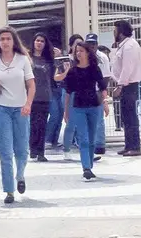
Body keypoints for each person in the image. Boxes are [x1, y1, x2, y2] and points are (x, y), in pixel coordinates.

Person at [0, 26, 36, 204]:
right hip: (1, 109)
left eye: (8, 39)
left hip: (21, 109)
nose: (5, 42)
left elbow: (31, 85)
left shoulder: (23, 60)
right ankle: (9, 190)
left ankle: (20, 175)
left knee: (21, 149)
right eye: (2, 39)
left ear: (14, 41)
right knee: (5, 151)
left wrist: (28, 104)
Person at [55, 40, 108, 181]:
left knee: (92, 139)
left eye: (81, 51)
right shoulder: (72, 71)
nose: (78, 53)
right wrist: (66, 111)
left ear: (87, 53)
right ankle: (86, 167)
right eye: (76, 51)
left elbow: (102, 87)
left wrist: (106, 103)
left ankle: (89, 164)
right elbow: (67, 92)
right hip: (78, 107)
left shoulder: (94, 68)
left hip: (94, 106)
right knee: (83, 138)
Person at [111, 20, 141, 157]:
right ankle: (128, 145)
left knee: (130, 117)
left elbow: (127, 68)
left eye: (115, 30)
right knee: (126, 116)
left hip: (128, 85)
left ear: (121, 31)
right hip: (125, 84)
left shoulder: (129, 46)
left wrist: (120, 85)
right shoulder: (124, 45)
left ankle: (135, 147)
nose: (113, 33)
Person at [28, 33, 56, 162]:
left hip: (45, 95)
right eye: (37, 40)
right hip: (32, 96)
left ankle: (41, 152)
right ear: (33, 42)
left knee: (42, 124)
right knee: (33, 123)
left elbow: (54, 77)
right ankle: (33, 149)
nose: (39, 43)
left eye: (42, 41)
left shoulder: (49, 60)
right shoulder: (28, 59)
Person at [84, 33, 110, 155]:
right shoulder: (82, 56)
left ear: (97, 44)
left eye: (93, 43)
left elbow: (106, 77)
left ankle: (100, 145)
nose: (91, 46)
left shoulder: (103, 57)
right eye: (89, 43)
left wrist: (103, 95)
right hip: (84, 91)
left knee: (98, 119)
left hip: (97, 91)